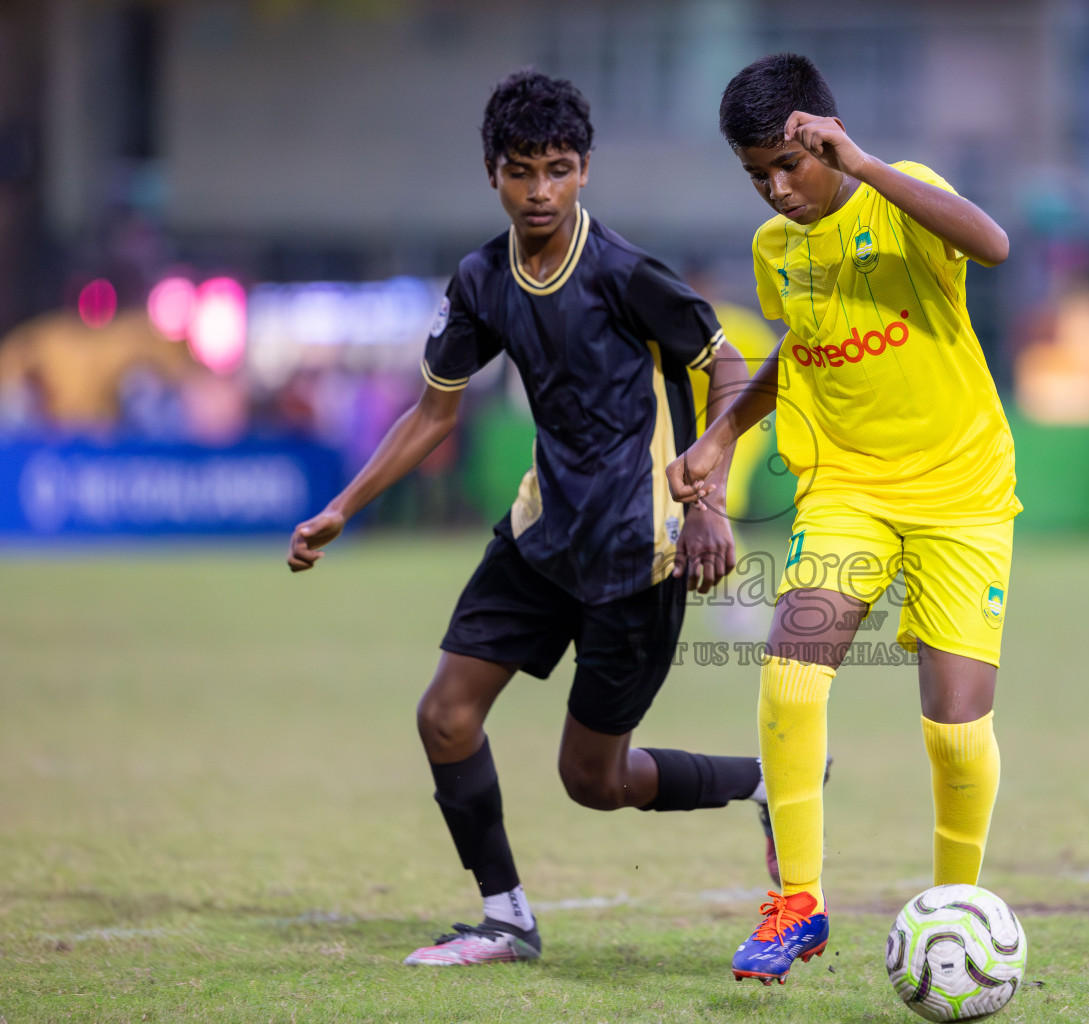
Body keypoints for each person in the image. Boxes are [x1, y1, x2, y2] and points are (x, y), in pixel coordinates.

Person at [287, 69, 772, 968]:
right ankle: (507, 918)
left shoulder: (626, 272)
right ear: (492, 175)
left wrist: (705, 498)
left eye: (557, 169)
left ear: (585, 171)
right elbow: (434, 413)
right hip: (541, 539)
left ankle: (766, 785)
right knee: (444, 716)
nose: (539, 189)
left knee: (594, 782)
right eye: (521, 171)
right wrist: (341, 508)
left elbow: (731, 368)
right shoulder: (480, 280)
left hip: (640, 555)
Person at [667, 53, 1020, 984]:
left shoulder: (899, 195)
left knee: (952, 731)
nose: (777, 190)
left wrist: (861, 165)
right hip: (847, 490)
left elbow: (993, 246)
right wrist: (723, 438)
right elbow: (801, 348)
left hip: (962, 492)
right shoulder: (775, 251)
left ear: (826, 137)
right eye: (757, 176)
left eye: (790, 165)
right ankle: (798, 905)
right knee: (790, 672)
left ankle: (959, 911)